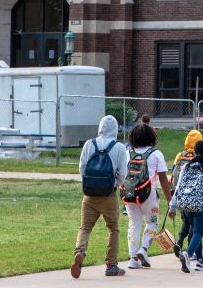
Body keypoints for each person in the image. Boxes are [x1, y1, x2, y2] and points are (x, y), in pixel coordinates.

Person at [72, 115, 130, 278]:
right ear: (115, 129)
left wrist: (90, 183)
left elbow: (82, 168)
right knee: (113, 228)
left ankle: (80, 252)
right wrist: (113, 186)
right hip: (108, 194)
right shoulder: (119, 148)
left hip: (89, 195)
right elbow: (122, 173)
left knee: (85, 227)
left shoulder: (89, 144)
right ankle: (111, 265)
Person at [122, 123, 173, 269]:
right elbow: (163, 179)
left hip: (130, 194)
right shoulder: (156, 154)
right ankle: (143, 249)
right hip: (149, 195)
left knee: (134, 224)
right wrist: (170, 200)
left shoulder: (127, 153)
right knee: (152, 223)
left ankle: (132, 259)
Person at [170, 140, 203, 272]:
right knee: (198, 232)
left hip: (185, 202)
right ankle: (188, 254)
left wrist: (172, 206)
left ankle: (201, 260)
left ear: (195, 151)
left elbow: (178, 187)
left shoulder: (186, 166)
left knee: (196, 231)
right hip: (201, 202)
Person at [169, 129, 203, 255]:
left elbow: (173, 172)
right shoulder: (199, 157)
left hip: (180, 195)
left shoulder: (180, 155)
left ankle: (179, 242)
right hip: (193, 196)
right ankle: (191, 249)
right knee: (194, 224)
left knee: (186, 220)